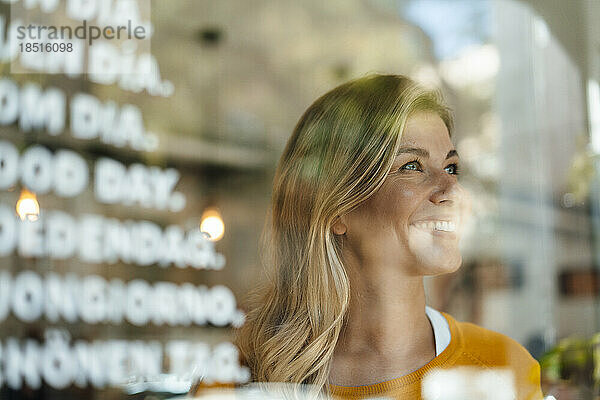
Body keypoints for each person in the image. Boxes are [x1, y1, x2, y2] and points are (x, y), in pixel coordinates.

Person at [236, 74, 543, 399]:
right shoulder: (245, 372)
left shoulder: (501, 371)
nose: (451, 189)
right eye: (412, 166)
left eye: (451, 167)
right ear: (337, 207)